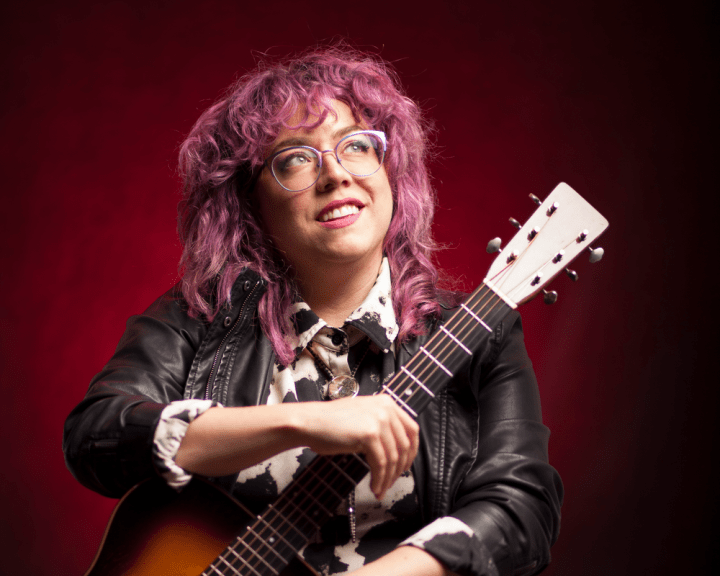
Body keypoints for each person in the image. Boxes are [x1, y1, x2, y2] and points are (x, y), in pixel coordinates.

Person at [63, 46, 562, 576]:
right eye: (296, 158)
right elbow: (97, 435)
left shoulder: (483, 335)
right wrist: (303, 421)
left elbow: (520, 511)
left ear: (391, 171)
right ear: (250, 206)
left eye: (357, 146)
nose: (336, 175)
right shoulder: (197, 317)